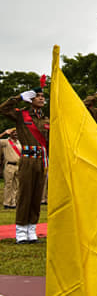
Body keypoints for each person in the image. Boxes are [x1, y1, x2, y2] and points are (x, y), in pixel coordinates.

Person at [0, 77, 49, 243]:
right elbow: (3, 109)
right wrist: (19, 97)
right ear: (30, 99)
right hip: (27, 159)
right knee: (25, 195)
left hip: (42, 160)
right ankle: (21, 229)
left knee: (37, 196)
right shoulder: (22, 115)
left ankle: (32, 228)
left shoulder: (46, 120)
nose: (41, 98)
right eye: (37, 96)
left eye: (42, 96)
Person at [0, 128, 21, 209]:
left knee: (16, 185)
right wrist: (4, 133)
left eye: (16, 132)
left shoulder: (19, 142)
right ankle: (7, 203)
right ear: (10, 133)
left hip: (18, 166)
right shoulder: (6, 141)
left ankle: (13, 203)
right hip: (9, 165)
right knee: (8, 185)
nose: (15, 134)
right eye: (13, 132)